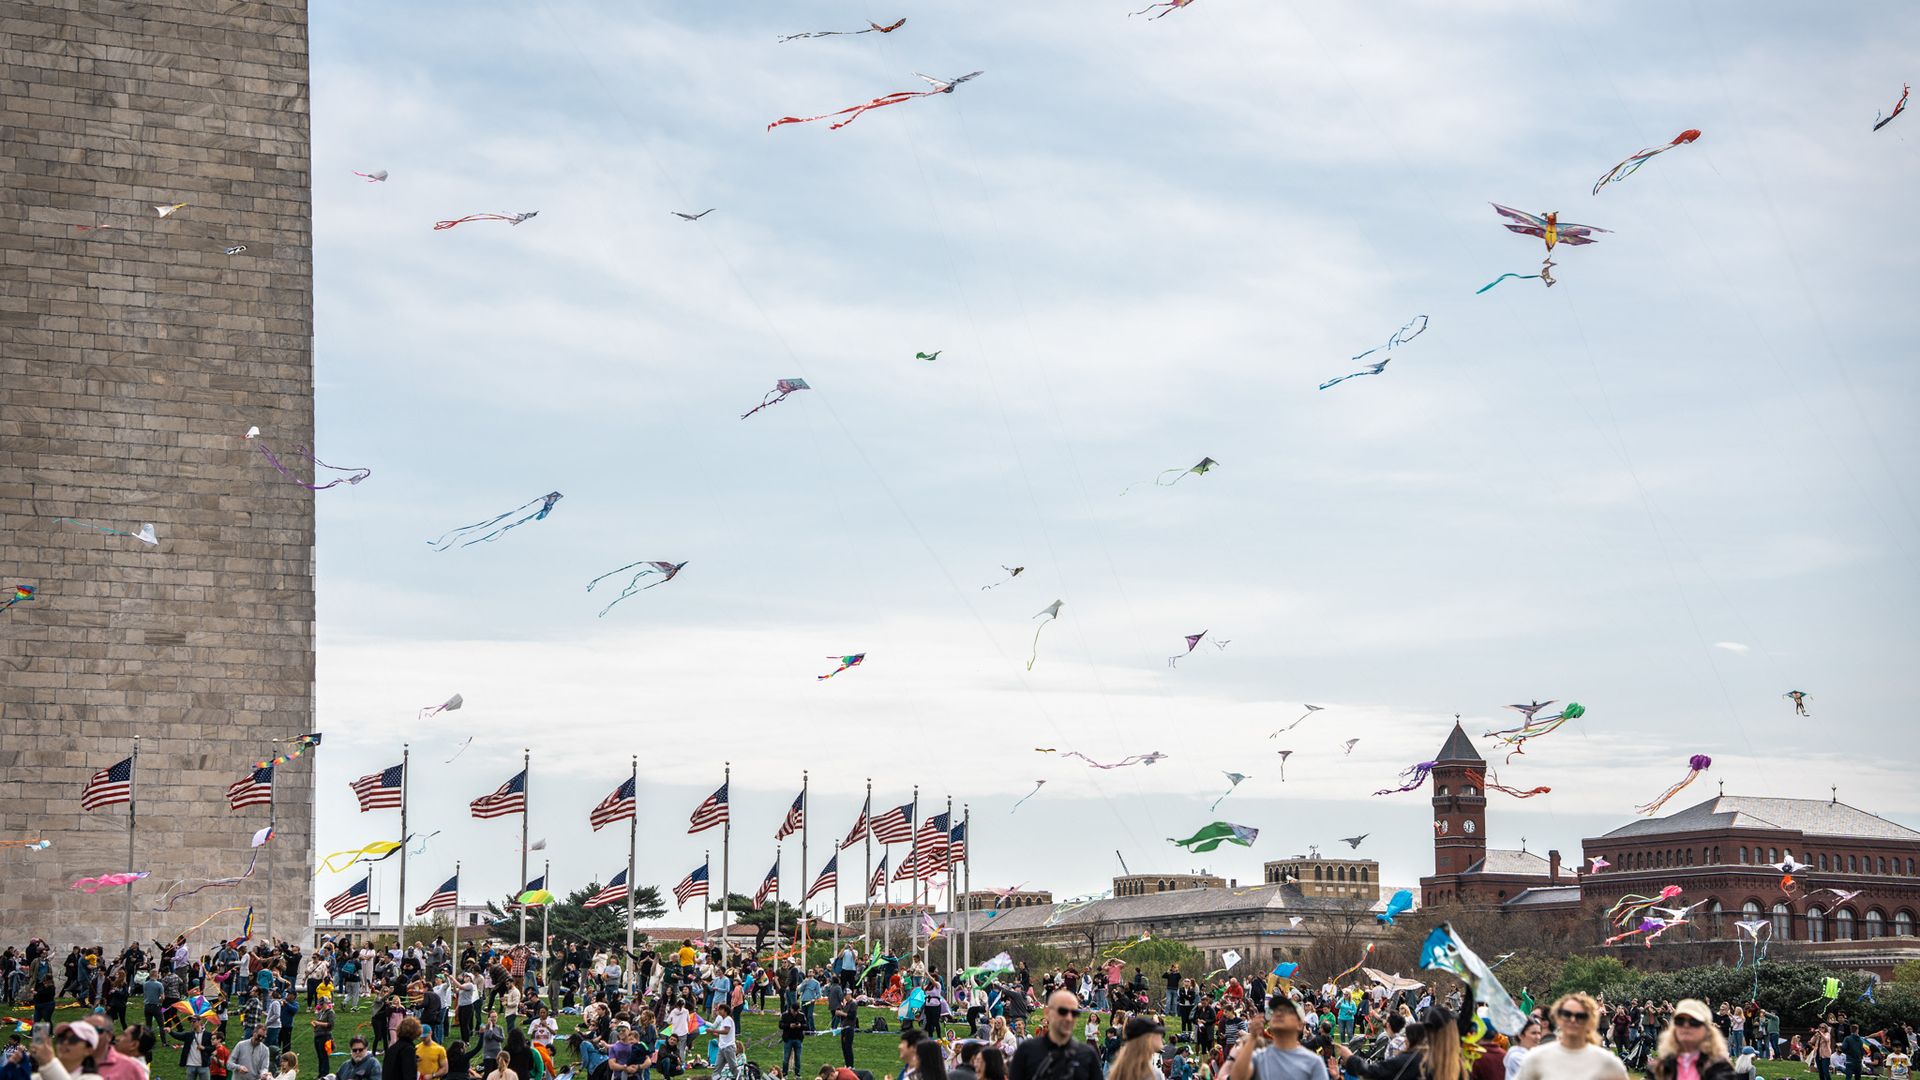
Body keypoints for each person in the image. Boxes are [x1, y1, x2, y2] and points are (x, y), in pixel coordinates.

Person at [1512, 995, 1625, 1080]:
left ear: (1590, 1021)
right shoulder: (1536, 1058)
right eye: (1567, 1014)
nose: (1573, 1019)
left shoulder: (1608, 1063)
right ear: (1558, 1018)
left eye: (1580, 1016)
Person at [1008, 991, 1100, 1080]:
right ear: (1047, 1013)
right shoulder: (1026, 1051)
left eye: (1074, 1013)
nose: (1069, 1018)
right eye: (1062, 1011)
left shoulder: (1087, 1055)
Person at [1228, 998, 1323, 1080]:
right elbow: (1237, 1077)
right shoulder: (1259, 1057)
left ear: (1300, 1025)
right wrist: (1252, 1038)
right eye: (1275, 1011)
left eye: (1286, 1012)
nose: (1278, 1014)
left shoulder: (1313, 1062)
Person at [1649, 1001, 1735, 1080]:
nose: (1686, 1026)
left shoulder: (1721, 1069)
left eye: (1694, 1022)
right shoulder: (1658, 1068)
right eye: (1680, 1021)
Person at [779, 999, 807, 1078]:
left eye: (796, 1011)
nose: (795, 1012)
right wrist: (789, 1025)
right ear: (791, 1009)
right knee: (786, 1057)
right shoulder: (785, 1015)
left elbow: (806, 1026)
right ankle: (784, 1074)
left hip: (798, 1038)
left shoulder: (801, 1015)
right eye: (794, 1011)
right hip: (788, 1039)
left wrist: (800, 1026)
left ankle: (797, 1074)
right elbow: (780, 1025)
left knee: (798, 1058)